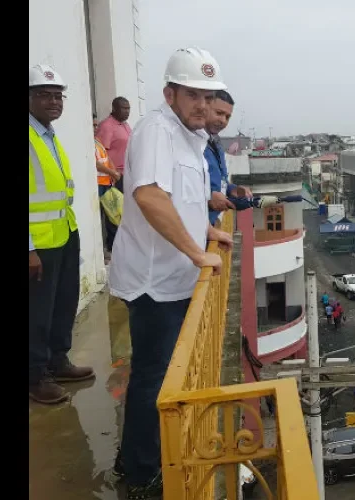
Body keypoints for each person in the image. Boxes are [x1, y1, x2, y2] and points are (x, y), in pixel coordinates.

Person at [108, 47, 233, 498]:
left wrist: (206, 231)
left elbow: (183, 199)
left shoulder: (190, 138)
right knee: (152, 377)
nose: (203, 105)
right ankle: (141, 472)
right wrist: (197, 254)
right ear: (170, 93)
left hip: (175, 278)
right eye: (193, 95)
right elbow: (150, 196)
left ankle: (142, 454)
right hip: (153, 281)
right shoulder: (156, 131)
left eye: (208, 95)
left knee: (163, 375)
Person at [29, 64, 95, 405]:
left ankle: (58, 361)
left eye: (58, 96)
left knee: (62, 304)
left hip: (64, 236)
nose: (53, 102)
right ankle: (36, 376)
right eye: (44, 95)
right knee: (36, 313)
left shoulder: (48, 135)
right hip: (38, 244)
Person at [204, 90, 252, 225]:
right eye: (218, 113)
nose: (223, 120)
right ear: (204, 108)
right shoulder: (193, 142)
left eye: (227, 117)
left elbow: (219, 182)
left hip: (210, 225)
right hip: (194, 228)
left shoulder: (216, 143)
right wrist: (208, 198)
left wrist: (232, 189)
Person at [94, 114, 121, 257]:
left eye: (95, 125)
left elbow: (106, 157)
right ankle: (103, 252)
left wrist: (114, 171)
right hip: (98, 185)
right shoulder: (89, 144)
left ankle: (112, 248)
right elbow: (96, 164)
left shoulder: (97, 142)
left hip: (107, 183)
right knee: (101, 218)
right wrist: (112, 172)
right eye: (92, 125)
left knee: (112, 217)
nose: (94, 128)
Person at [96, 96, 132, 193]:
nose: (127, 111)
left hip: (128, 175)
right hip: (116, 177)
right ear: (114, 109)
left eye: (128, 108)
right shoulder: (107, 126)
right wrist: (114, 173)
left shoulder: (126, 125)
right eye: (124, 108)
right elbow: (101, 153)